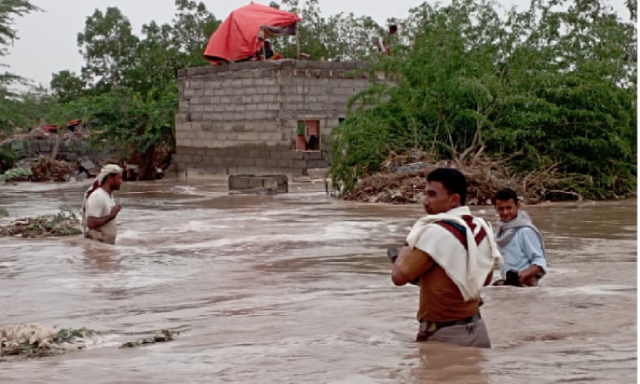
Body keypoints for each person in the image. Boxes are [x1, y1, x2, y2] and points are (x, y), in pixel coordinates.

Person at [391, 168, 502, 348]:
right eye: (425, 194)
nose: (425, 201)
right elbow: (486, 279)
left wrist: (405, 250)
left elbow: (398, 278)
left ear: (454, 200)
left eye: (432, 195)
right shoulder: (482, 228)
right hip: (478, 330)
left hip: (445, 335)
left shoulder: (435, 232)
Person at [492, 188, 547, 287]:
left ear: (518, 206)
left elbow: (539, 263)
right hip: (510, 287)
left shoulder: (525, 231)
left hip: (526, 289)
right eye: (501, 208)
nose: (505, 212)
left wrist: (520, 276)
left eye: (509, 208)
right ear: (495, 208)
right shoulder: (501, 232)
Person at [81, 164, 123, 245]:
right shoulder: (98, 196)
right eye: (119, 178)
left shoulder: (108, 196)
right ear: (110, 178)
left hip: (104, 247)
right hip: (95, 247)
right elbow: (91, 223)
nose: (121, 181)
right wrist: (112, 215)